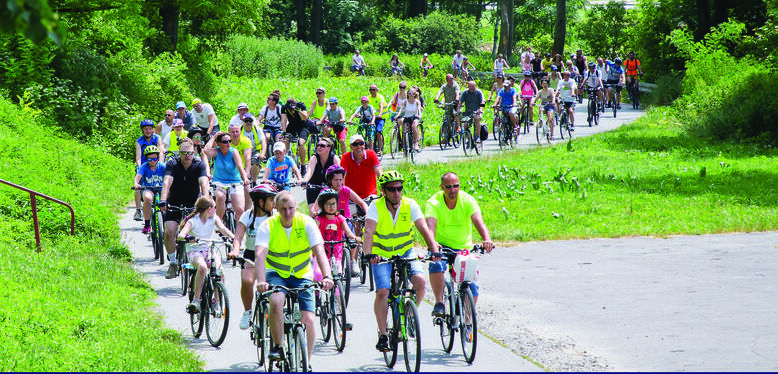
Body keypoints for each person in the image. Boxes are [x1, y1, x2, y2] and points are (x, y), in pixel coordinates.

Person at [362, 170, 439, 352]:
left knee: (420, 281)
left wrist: (434, 250)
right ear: (383, 191)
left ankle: (411, 313)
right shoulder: (376, 206)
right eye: (391, 189)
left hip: (405, 251)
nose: (396, 192)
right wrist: (368, 254)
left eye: (399, 188)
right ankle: (382, 334)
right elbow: (369, 232)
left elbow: (423, 229)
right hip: (381, 254)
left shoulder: (410, 205)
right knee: (383, 292)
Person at [254, 191, 333, 362]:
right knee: (275, 301)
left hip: (302, 273)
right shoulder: (268, 226)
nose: (288, 213)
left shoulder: (307, 223)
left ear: (296, 207)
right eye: (283, 209)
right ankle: (278, 346)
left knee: (310, 319)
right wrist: (261, 281)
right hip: (276, 273)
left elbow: (319, 252)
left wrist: (327, 276)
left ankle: (307, 362)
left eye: (291, 208)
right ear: (275, 208)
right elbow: (260, 255)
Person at [427, 172, 494, 314]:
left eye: (456, 186)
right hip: (442, 247)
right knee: (436, 265)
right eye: (448, 187)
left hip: (464, 248)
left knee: (473, 289)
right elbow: (430, 226)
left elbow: (478, 221)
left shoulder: (467, 200)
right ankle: (439, 302)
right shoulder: (434, 202)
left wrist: (487, 239)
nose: (452, 190)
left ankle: (468, 323)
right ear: (442, 188)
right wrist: (433, 244)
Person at [160, 138, 210, 279]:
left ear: (194, 153)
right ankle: (173, 263)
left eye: (190, 153)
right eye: (184, 153)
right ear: (179, 154)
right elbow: (166, 183)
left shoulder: (199, 165)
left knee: (196, 233)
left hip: (193, 203)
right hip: (174, 202)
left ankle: (197, 259)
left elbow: (204, 184)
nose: (187, 156)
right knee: (169, 231)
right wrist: (163, 200)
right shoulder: (172, 164)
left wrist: (205, 202)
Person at [231, 183, 277, 330]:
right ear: (261, 202)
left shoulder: (276, 216)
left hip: (270, 256)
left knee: (275, 287)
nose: (274, 203)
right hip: (250, 254)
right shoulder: (247, 216)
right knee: (246, 280)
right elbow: (238, 237)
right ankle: (247, 311)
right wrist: (235, 251)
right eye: (271, 200)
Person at [178, 195, 235, 314]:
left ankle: (217, 301)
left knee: (220, 271)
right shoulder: (193, 221)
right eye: (214, 207)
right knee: (203, 267)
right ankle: (196, 300)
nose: (216, 209)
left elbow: (223, 229)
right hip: (194, 251)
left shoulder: (213, 218)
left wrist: (235, 239)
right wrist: (190, 238)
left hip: (208, 250)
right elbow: (181, 235)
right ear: (209, 209)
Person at [324, 165, 368, 274]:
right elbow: (316, 207)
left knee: (352, 240)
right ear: (330, 180)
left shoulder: (346, 190)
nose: (339, 182)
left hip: (346, 221)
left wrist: (367, 213)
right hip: (331, 222)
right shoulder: (325, 192)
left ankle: (353, 261)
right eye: (335, 180)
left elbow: (361, 202)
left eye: (340, 179)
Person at [204, 131, 250, 226]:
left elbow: (240, 167)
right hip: (219, 182)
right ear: (219, 144)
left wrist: (245, 179)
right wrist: (213, 138)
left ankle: (239, 234)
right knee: (220, 197)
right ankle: (219, 223)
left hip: (235, 182)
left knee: (240, 210)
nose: (228, 144)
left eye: (229, 141)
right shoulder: (216, 151)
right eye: (225, 142)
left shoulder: (233, 152)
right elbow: (206, 150)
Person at [313, 188, 361, 278]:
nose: (331, 207)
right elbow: (313, 233)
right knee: (318, 274)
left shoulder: (340, 218)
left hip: (336, 252)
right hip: (321, 252)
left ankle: (337, 291)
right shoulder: (319, 220)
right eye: (328, 204)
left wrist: (355, 237)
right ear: (322, 205)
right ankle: (317, 291)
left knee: (337, 275)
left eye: (333, 204)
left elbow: (348, 232)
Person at [301, 137, 340, 215]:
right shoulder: (314, 157)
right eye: (318, 145)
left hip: (329, 188)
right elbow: (309, 172)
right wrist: (304, 181)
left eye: (322, 145)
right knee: (313, 212)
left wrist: (338, 185)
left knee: (331, 212)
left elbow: (340, 173)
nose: (319, 147)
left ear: (329, 148)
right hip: (313, 188)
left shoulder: (334, 158)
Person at [133, 145, 166, 234]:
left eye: (155, 159)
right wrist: (136, 184)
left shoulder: (162, 166)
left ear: (158, 158)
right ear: (146, 159)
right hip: (148, 188)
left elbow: (169, 176)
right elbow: (138, 176)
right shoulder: (144, 166)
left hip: (161, 189)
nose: (152, 161)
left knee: (168, 199)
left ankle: (167, 222)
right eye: (149, 159)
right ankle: (147, 224)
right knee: (147, 198)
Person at [340, 134, 382, 199]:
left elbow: (380, 174)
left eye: (361, 143)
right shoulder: (346, 157)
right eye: (355, 144)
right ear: (351, 147)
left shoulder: (371, 154)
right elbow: (342, 177)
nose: (359, 146)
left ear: (364, 145)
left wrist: (383, 188)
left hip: (370, 195)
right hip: (352, 197)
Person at [135, 119, 162, 221]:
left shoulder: (157, 138)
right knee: (138, 185)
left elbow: (161, 152)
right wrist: (139, 166)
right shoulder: (139, 141)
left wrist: (160, 163)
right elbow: (138, 156)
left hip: (156, 163)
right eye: (146, 129)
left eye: (150, 129)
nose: (148, 131)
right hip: (145, 165)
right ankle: (138, 210)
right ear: (143, 130)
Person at [281, 98, 312, 171]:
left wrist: (299, 111)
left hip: (303, 126)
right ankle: (286, 160)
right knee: (286, 139)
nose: (292, 111)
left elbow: (305, 118)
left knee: (300, 144)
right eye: (290, 109)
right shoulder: (284, 108)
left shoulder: (301, 105)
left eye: (293, 109)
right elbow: (283, 120)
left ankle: (303, 165)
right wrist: (284, 131)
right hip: (292, 126)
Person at [257, 90, 286, 159]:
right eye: (268, 98)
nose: (268, 100)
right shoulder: (265, 108)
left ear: (274, 102)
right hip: (268, 127)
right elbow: (259, 119)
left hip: (278, 127)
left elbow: (284, 119)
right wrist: (257, 125)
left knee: (278, 139)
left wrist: (284, 127)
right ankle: (265, 155)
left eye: (270, 99)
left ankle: (280, 156)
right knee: (266, 137)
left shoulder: (279, 108)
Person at [240, 113, 267, 185]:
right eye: (246, 121)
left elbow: (263, 142)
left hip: (255, 150)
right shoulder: (239, 129)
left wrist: (262, 154)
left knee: (256, 161)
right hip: (242, 151)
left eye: (250, 121)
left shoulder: (257, 129)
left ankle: (254, 182)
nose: (248, 123)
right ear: (243, 121)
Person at [398, 87, 424, 152]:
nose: (411, 95)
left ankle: (416, 143)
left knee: (414, 126)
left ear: (415, 94)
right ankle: (405, 145)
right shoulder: (405, 101)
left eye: (413, 93)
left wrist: (419, 115)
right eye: (410, 93)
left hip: (415, 116)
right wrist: (398, 115)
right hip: (407, 116)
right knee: (404, 129)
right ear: (407, 94)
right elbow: (401, 110)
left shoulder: (417, 101)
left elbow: (418, 109)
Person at [367, 84, 387, 156]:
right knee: (369, 131)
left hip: (380, 117)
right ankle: (370, 148)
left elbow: (381, 106)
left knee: (378, 131)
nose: (372, 91)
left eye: (373, 89)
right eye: (370, 90)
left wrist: (380, 114)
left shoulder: (380, 97)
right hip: (372, 117)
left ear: (377, 90)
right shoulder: (368, 98)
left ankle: (379, 149)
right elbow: (365, 106)